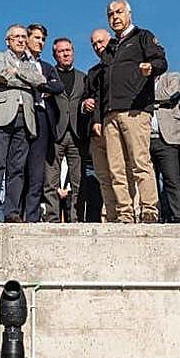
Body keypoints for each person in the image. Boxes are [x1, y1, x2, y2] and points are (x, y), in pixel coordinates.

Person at [97, 0, 166, 223]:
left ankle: (149, 210)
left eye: (118, 12)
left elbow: (161, 61)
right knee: (116, 169)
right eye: (110, 14)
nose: (114, 17)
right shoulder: (110, 48)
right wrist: (99, 116)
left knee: (140, 162)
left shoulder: (142, 36)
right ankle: (124, 213)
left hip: (135, 111)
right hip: (110, 115)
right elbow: (102, 84)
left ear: (129, 13)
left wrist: (150, 68)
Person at [0, 25, 50, 222]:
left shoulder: (29, 63)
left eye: (23, 37)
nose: (21, 40)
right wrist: (25, 78)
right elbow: (1, 76)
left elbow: (39, 81)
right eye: (16, 37)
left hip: (25, 119)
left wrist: (17, 71)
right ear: (8, 41)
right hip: (1, 116)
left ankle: (12, 211)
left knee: (17, 168)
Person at [23, 23, 65, 222]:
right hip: (22, 118)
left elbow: (58, 87)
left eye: (42, 39)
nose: (40, 42)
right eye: (37, 38)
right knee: (18, 167)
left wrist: (41, 84)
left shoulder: (47, 67)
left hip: (42, 120)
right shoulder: (18, 61)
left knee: (37, 171)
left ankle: (31, 216)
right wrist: (42, 85)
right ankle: (14, 211)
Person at [46, 37, 86, 223]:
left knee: (78, 181)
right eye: (61, 51)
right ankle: (52, 219)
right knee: (51, 180)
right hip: (56, 133)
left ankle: (76, 219)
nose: (66, 54)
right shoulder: (48, 75)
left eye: (68, 50)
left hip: (77, 134)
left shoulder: (83, 77)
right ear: (55, 54)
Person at [78, 29, 112, 221]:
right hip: (98, 133)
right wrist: (85, 104)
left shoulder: (124, 67)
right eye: (94, 44)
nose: (98, 47)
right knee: (100, 179)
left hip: (119, 126)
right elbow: (87, 97)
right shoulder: (93, 73)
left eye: (101, 42)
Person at [149, 70, 180, 222]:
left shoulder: (173, 76)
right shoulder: (138, 80)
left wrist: (146, 98)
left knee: (172, 179)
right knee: (149, 182)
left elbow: (172, 94)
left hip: (167, 139)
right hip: (146, 138)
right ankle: (155, 216)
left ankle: (179, 216)